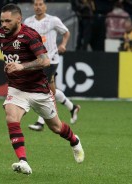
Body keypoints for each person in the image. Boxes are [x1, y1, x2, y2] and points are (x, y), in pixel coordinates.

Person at [0, 3, 84, 175]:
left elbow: (45, 61)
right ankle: (23, 161)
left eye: (7, 21)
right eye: (2, 21)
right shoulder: (0, 34)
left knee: (56, 127)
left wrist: (21, 66)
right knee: (11, 117)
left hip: (38, 89)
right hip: (17, 88)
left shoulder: (29, 35)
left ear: (18, 19)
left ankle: (74, 141)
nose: (4, 25)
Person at [25, 0, 80, 131]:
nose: (38, 7)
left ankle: (40, 122)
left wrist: (63, 45)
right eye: (36, 4)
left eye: (40, 4)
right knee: (51, 90)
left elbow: (66, 32)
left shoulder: (53, 20)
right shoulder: (28, 22)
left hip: (51, 60)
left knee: (43, 89)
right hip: (37, 60)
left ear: (45, 6)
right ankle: (72, 107)